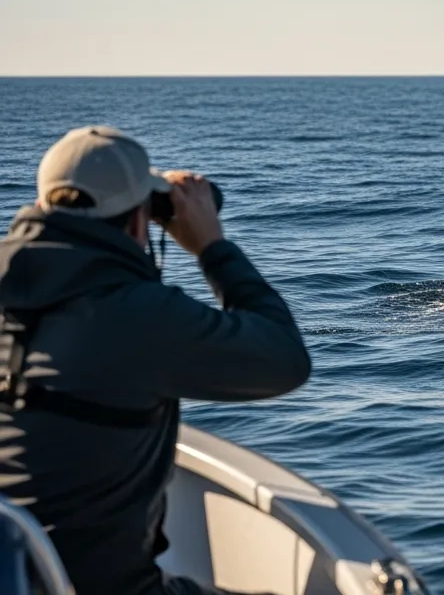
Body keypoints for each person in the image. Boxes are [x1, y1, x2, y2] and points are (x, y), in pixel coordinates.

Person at [0, 126, 312, 595]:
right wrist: (213, 248)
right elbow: (285, 360)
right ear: (140, 221)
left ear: (45, 205)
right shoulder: (132, 314)